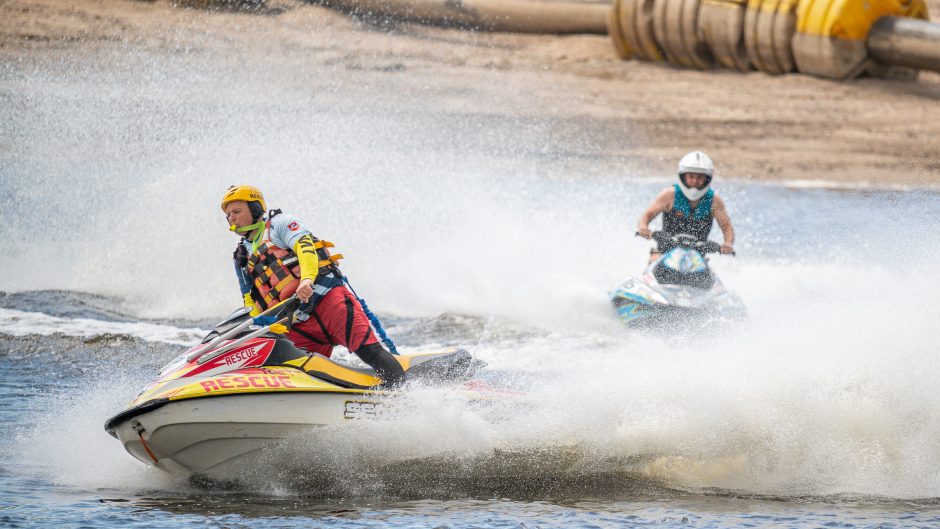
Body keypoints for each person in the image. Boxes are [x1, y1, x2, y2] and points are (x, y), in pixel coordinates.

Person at [221, 185, 406, 387]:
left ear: (255, 208)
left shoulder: (280, 225)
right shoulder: (240, 257)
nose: (232, 218)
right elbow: (249, 300)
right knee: (286, 373)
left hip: (328, 301)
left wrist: (307, 280)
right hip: (297, 323)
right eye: (228, 214)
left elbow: (306, 249)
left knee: (369, 351)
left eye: (237, 211)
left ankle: (402, 397)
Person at [636, 151, 735, 262]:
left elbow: (727, 227)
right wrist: (643, 228)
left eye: (699, 177)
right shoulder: (670, 195)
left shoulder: (714, 201)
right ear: (683, 176)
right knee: (654, 259)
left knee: (704, 272)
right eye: (691, 176)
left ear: (706, 179)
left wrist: (728, 244)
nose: (694, 181)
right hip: (664, 252)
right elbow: (646, 216)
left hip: (697, 258)